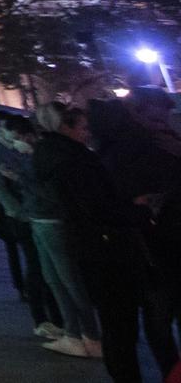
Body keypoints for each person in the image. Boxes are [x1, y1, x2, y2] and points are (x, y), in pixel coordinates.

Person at [34, 101, 144, 369]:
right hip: (99, 240)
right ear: (63, 126)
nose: (87, 132)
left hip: (76, 233)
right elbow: (96, 204)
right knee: (76, 287)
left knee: (65, 283)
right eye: (82, 127)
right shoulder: (73, 159)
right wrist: (135, 210)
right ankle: (90, 336)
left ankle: (84, 335)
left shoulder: (57, 155)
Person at [92, 92, 181, 376]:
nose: (166, 118)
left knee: (158, 320)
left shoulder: (123, 144)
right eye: (161, 112)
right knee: (159, 318)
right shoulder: (142, 147)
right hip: (154, 246)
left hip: (153, 244)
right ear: (143, 113)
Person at [0, 112, 65, 340]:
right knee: (36, 266)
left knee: (46, 267)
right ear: (0, 130)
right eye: (11, 131)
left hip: (38, 211)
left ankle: (57, 316)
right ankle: (42, 318)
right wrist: (17, 212)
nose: (17, 136)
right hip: (21, 216)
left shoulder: (28, 148)